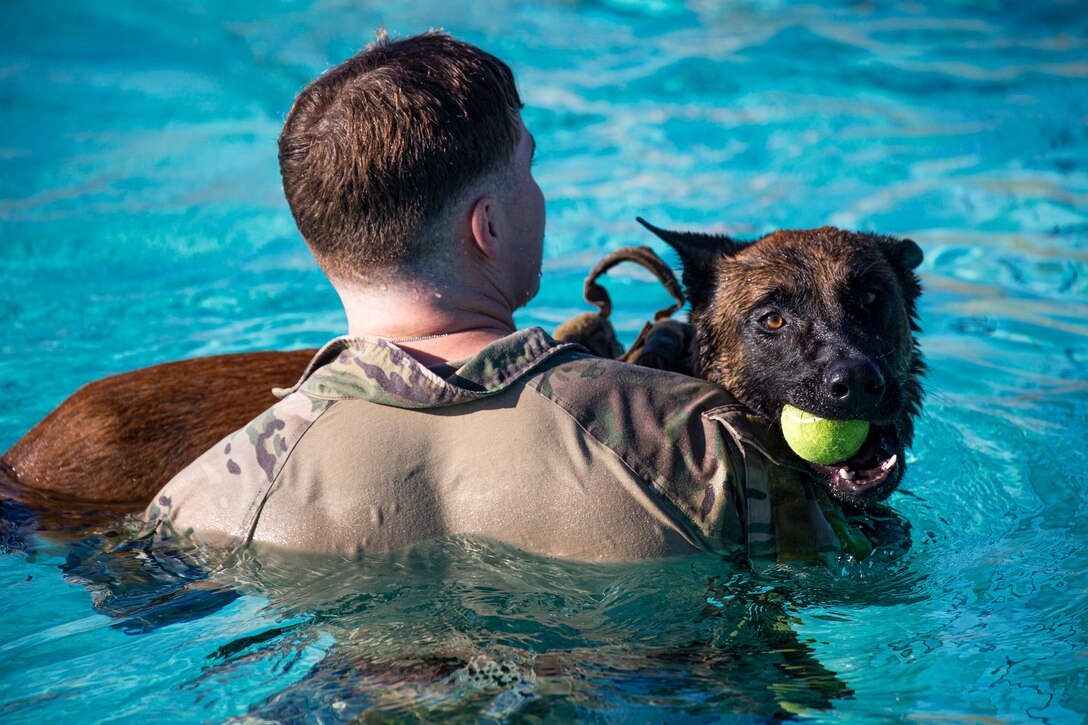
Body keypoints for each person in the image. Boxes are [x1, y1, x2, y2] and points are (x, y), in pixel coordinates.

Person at [144, 31, 873, 563]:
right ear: (487, 225)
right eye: (529, 169)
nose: (541, 196)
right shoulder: (704, 447)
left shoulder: (202, 501)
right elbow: (849, 599)